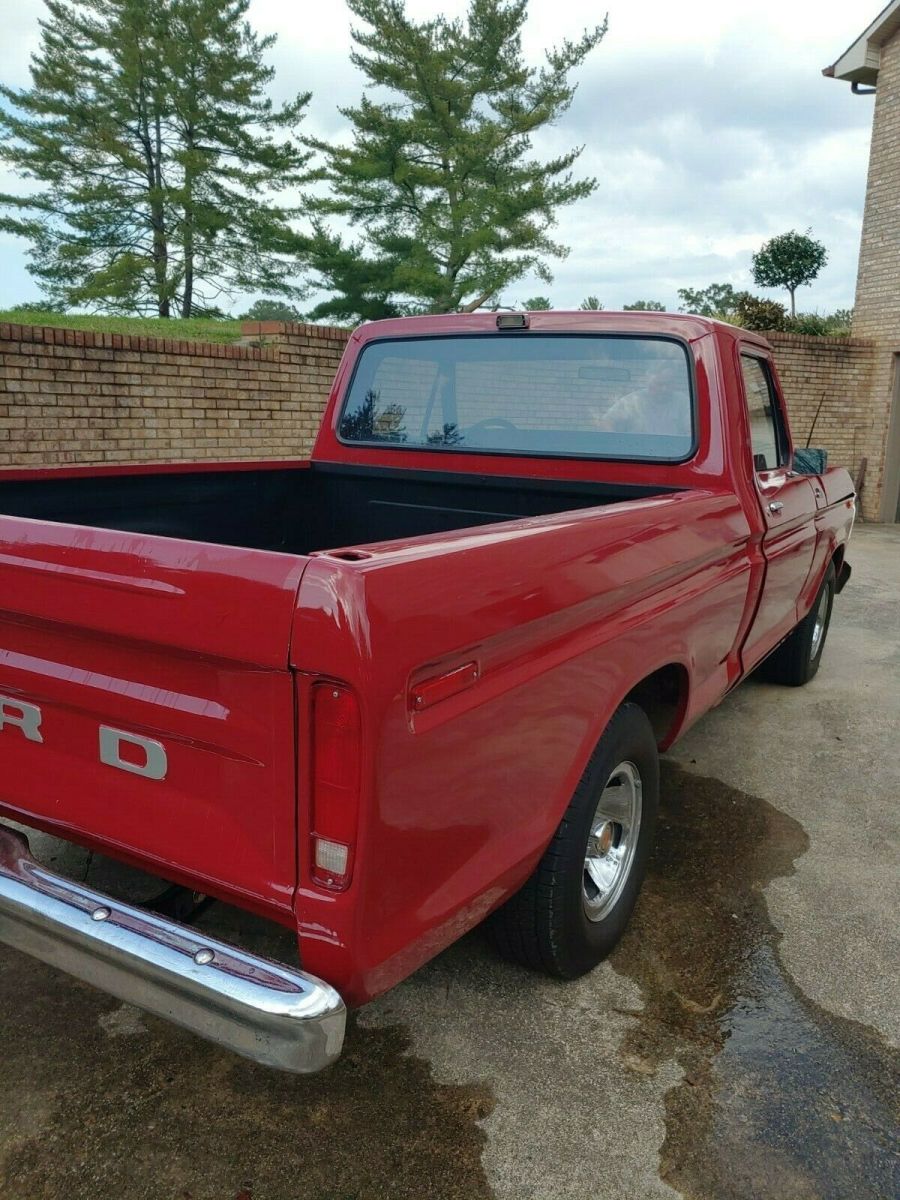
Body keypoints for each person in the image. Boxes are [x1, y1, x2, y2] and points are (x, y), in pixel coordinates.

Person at [595, 360, 691, 437]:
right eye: (659, 384)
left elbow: (692, 430)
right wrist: (616, 442)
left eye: (669, 384)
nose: (664, 389)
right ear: (649, 382)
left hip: (675, 458)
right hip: (637, 456)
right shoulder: (632, 401)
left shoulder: (683, 402)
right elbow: (606, 422)